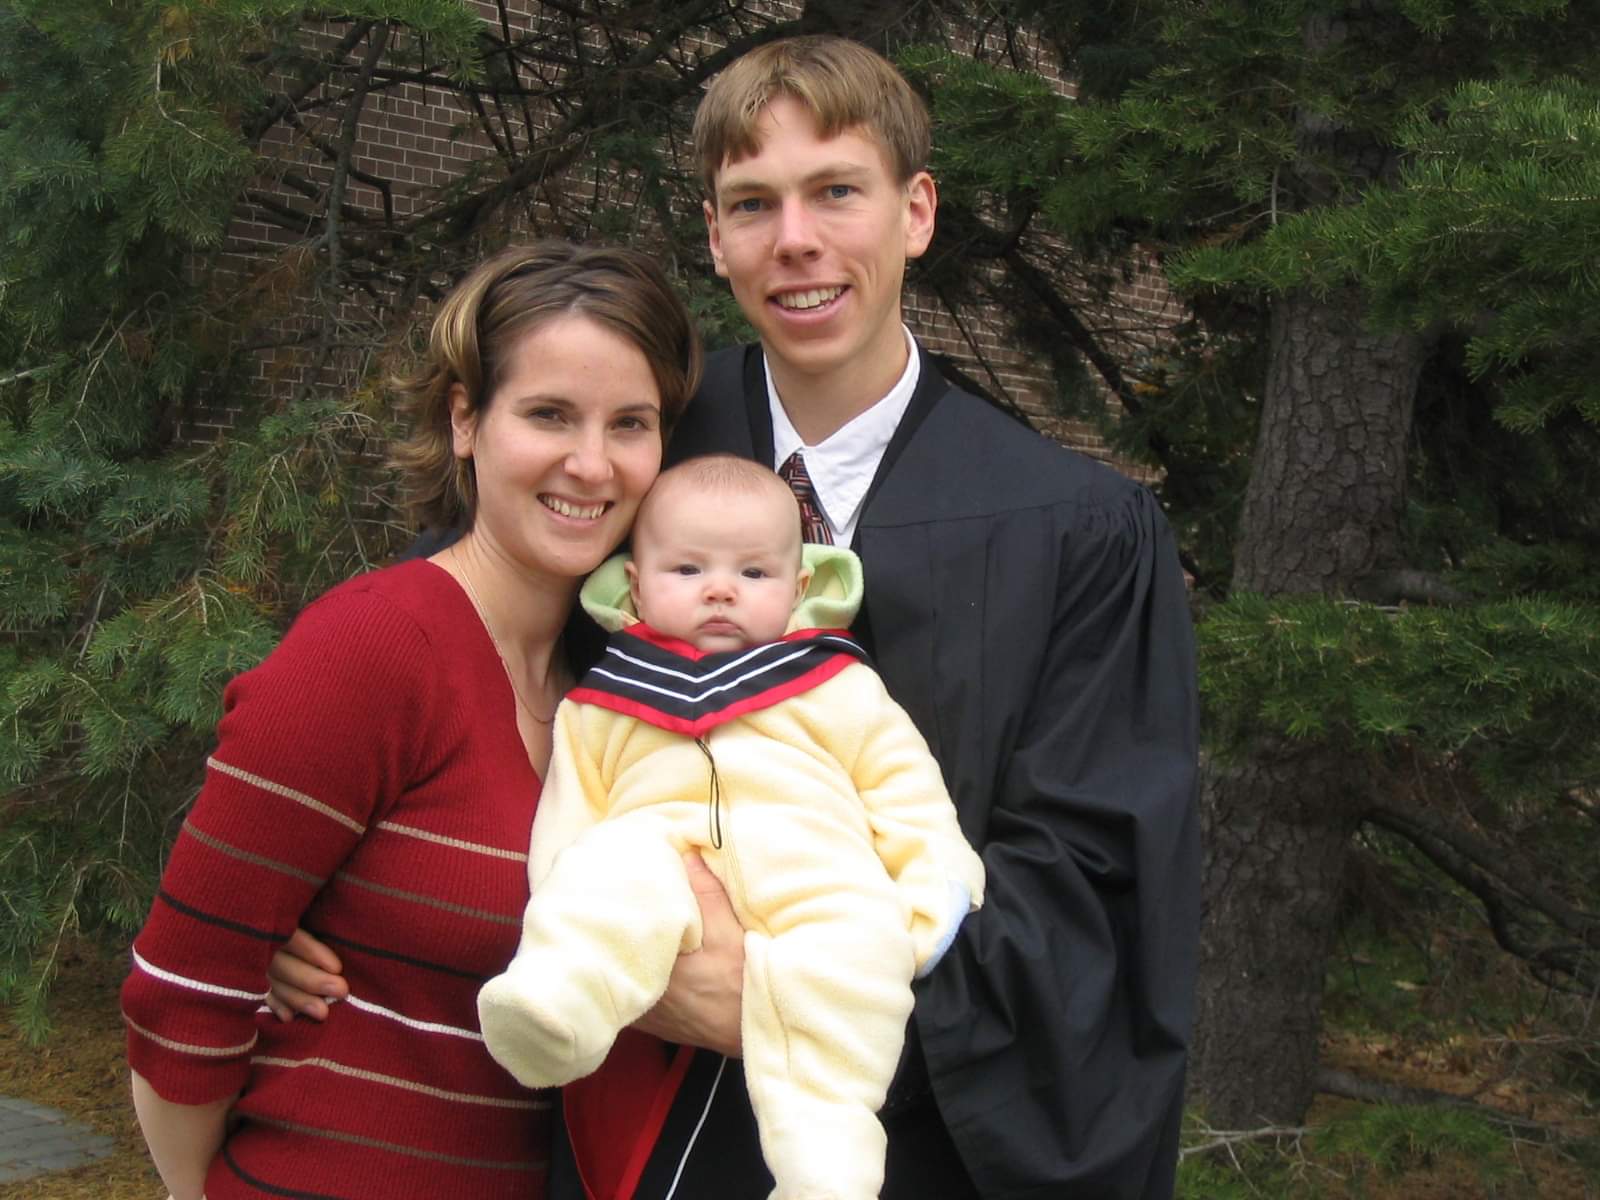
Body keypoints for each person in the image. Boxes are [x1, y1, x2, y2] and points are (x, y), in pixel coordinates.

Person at [270, 33, 1200, 1200]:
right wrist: (311, 885)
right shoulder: (626, 444)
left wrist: (772, 991)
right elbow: (451, 653)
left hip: (901, 1131)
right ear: (714, 236)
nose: (795, 240)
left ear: (915, 212)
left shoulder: (1071, 526)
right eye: (752, 203)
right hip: (616, 1112)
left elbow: (1086, 877)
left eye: (837, 193)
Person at [119, 240, 702, 1200]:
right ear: (466, 419)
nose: (591, 463)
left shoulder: (611, 692)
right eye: (549, 413)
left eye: (630, 424)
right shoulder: (374, 647)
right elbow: (183, 991)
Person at [477, 454, 985, 1200]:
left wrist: (929, 893)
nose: (720, 589)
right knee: (604, 876)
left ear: (802, 585)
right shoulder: (606, 701)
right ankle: (558, 1005)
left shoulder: (836, 684)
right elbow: (571, 811)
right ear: (635, 583)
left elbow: (904, 789)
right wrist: (555, 897)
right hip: (662, 864)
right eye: (686, 569)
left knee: (848, 980)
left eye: (753, 574)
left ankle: (829, 1164)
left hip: (817, 875)